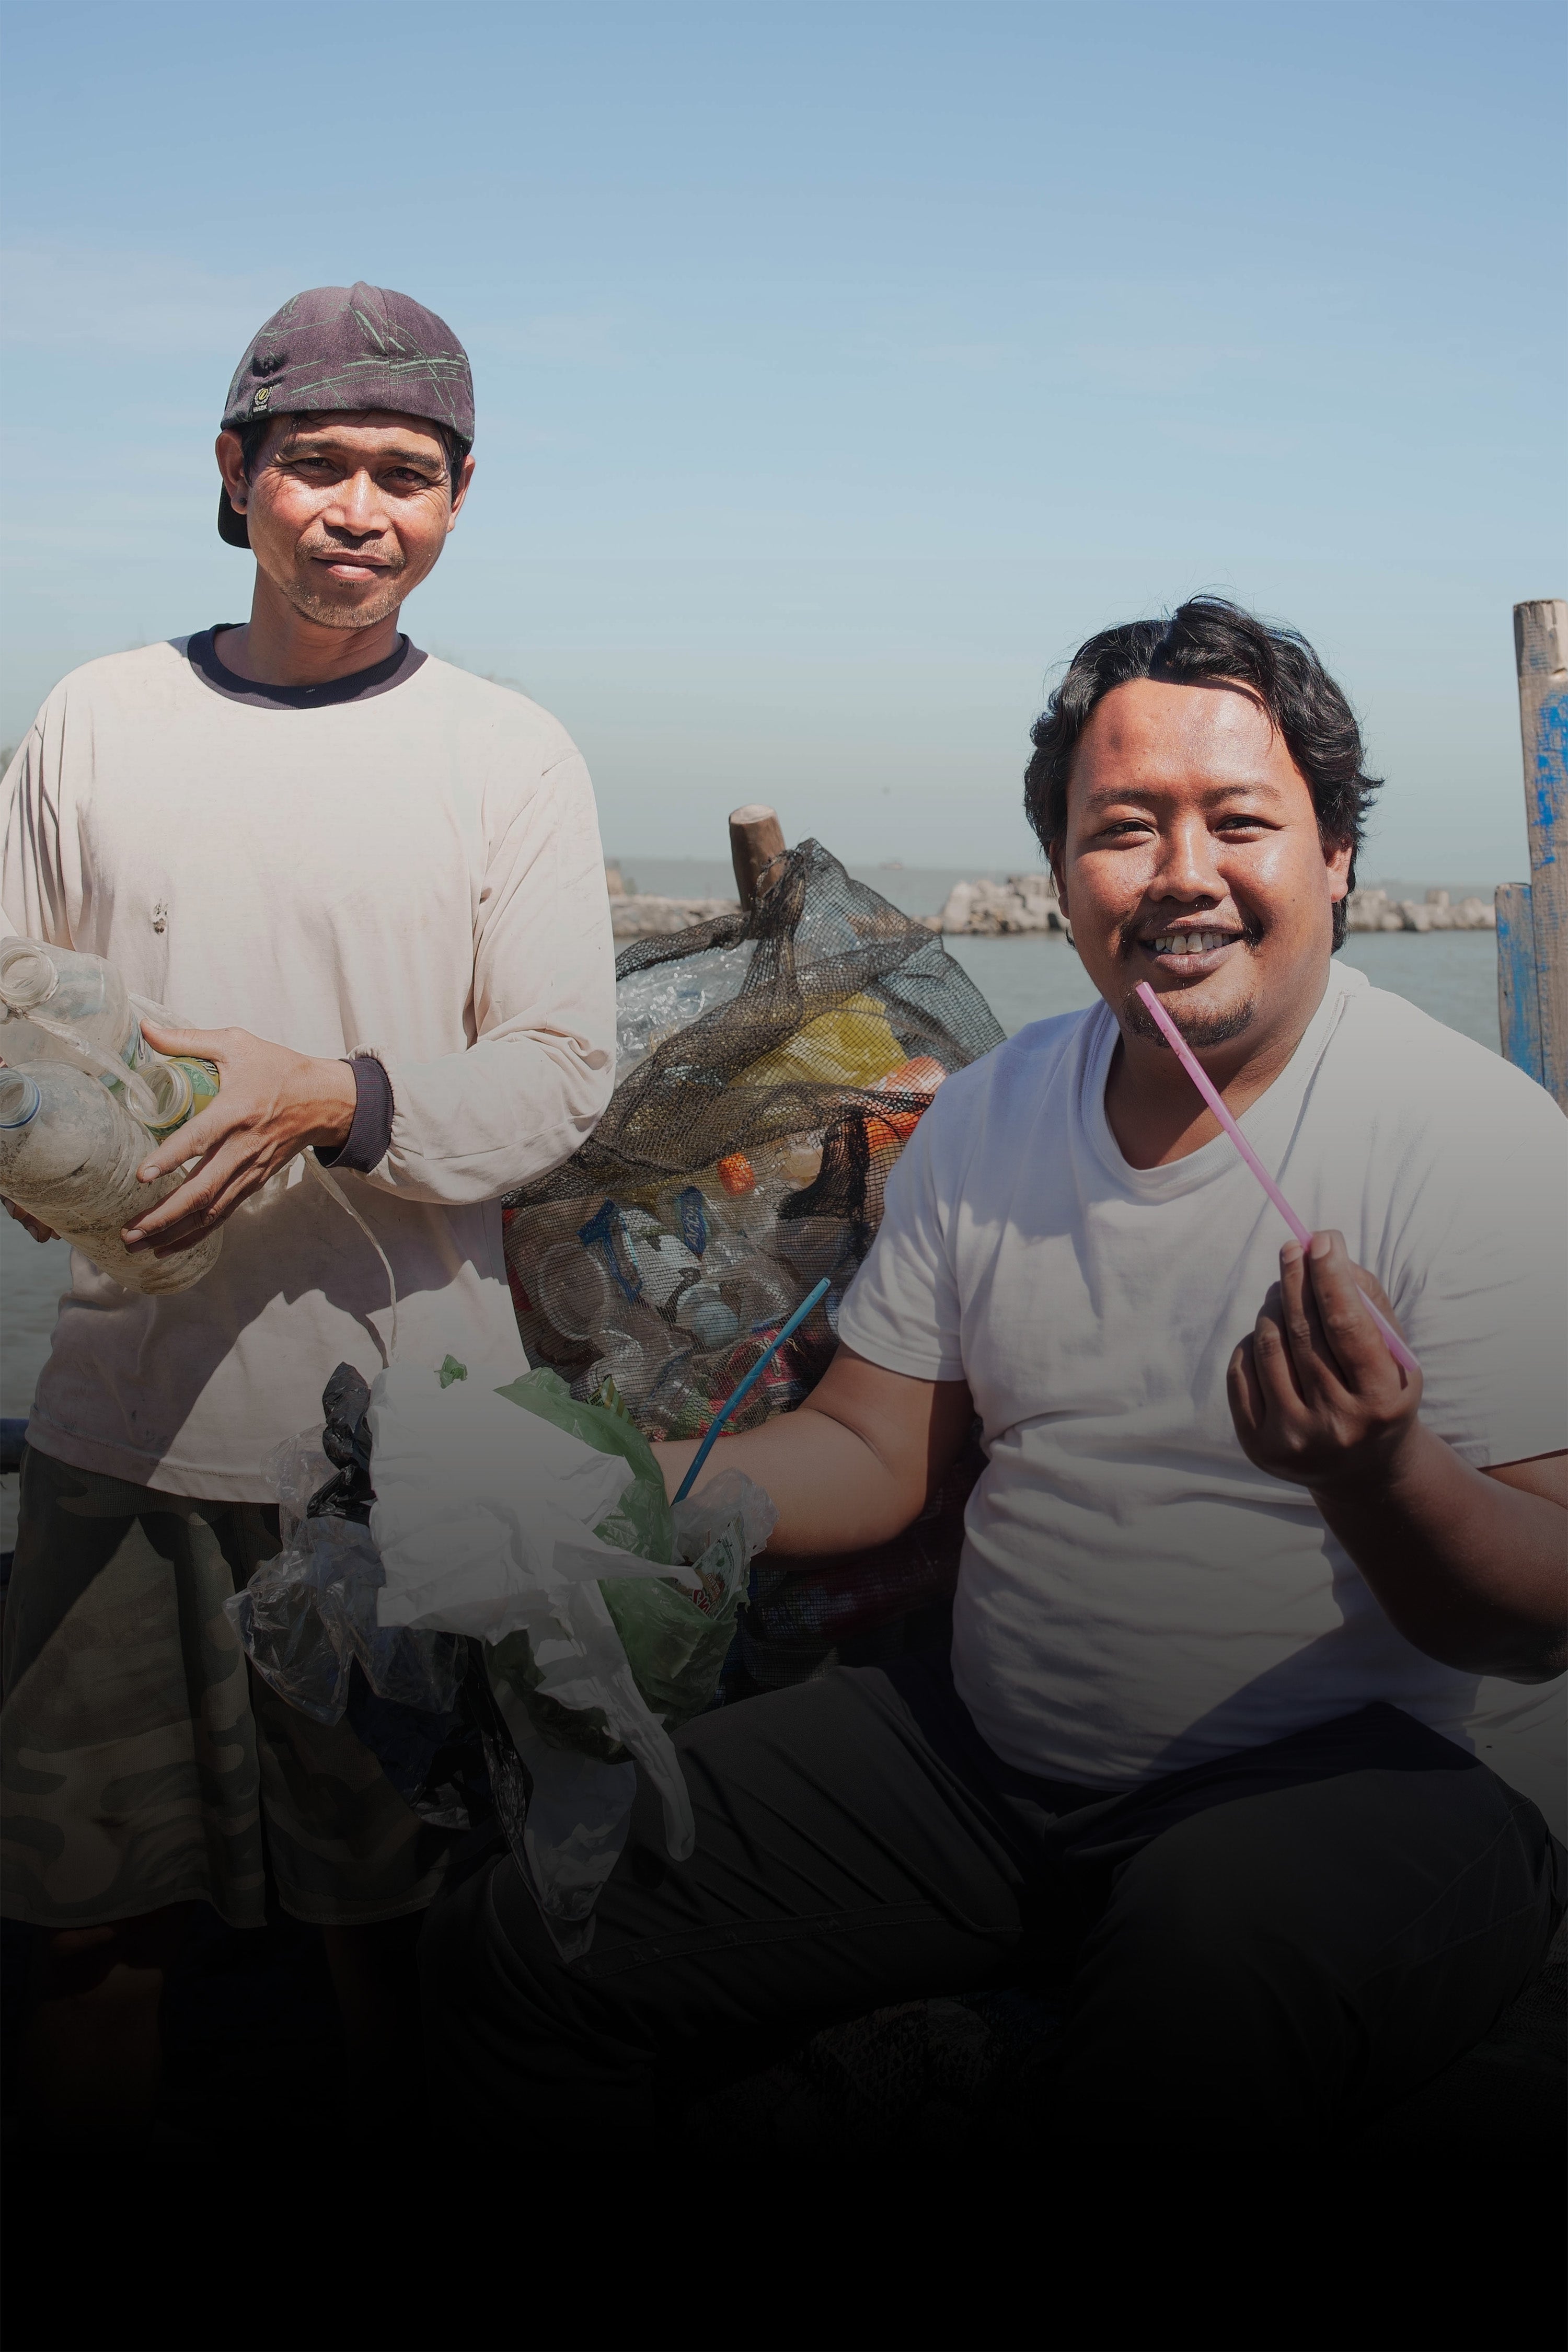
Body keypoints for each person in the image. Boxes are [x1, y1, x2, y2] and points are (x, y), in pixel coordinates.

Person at [421, 596, 1565, 2150]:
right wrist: (615, 1483)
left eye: (1241, 821)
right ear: (1059, 876)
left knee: (1191, 2013)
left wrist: (1377, 1474)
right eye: (1124, 829)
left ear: (1338, 857)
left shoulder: (1478, 1140)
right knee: (529, 1934)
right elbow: (876, 1451)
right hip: (988, 1755)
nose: (1183, 875)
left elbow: (1534, 1614)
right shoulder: (991, 1112)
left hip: (1365, 1783)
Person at [1, 282, 616, 2143]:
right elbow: (17, 1004)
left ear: (459, 498)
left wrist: (328, 1096)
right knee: (86, 1916)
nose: (363, 508)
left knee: (402, 1929)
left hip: (403, 1441)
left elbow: (565, 1075)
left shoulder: (509, 757)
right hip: (123, 1425)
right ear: (236, 473)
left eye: (408, 475)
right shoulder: (97, 721)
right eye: (322, 465)